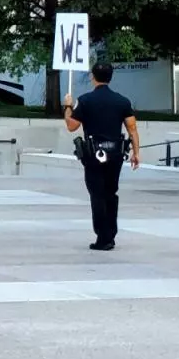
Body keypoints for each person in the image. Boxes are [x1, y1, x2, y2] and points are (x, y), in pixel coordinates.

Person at [64, 62, 140, 251]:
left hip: (94, 154)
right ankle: (110, 234)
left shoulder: (85, 100)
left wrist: (67, 106)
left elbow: (71, 126)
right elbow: (132, 128)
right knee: (111, 193)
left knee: (97, 194)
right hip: (115, 154)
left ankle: (103, 237)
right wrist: (136, 152)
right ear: (111, 77)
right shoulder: (122, 101)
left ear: (93, 77)